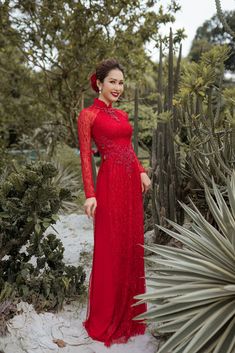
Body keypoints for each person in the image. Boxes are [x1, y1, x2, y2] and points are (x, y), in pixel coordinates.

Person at [77, 58, 151, 347]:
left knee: (129, 245)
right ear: (99, 82)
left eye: (121, 82)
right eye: (113, 82)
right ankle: (107, 317)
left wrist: (142, 171)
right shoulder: (88, 115)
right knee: (110, 247)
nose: (118, 87)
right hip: (108, 185)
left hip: (130, 184)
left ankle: (130, 316)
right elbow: (85, 156)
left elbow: (128, 147)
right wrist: (90, 193)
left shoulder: (120, 115)